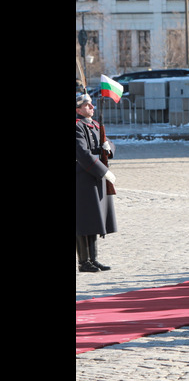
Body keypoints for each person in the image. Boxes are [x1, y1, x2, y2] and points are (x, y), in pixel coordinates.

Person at [76, 93, 117, 273]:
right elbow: (83, 154)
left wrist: (108, 147)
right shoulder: (77, 127)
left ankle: (93, 259)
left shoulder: (94, 125)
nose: (92, 107)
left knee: (93, 218)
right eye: (87, 105)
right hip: (82, 178)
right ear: (78, 109)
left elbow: (107, 141)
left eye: (91, 104)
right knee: (82, 221)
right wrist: (104, 171)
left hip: (94, 178)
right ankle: (84, 262)